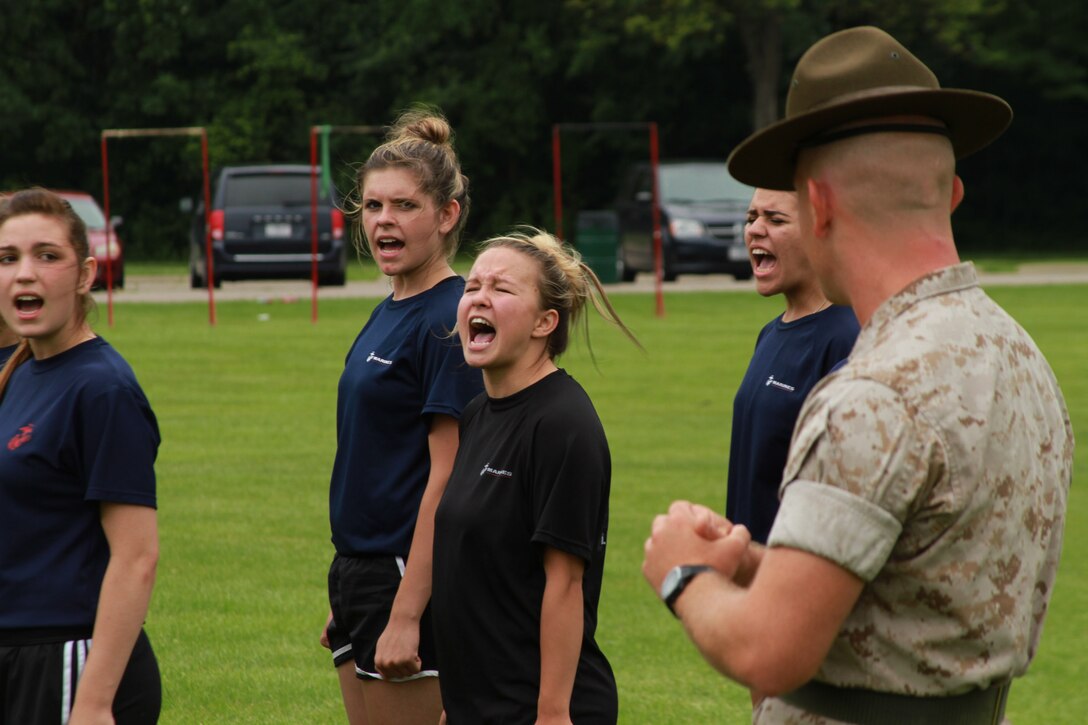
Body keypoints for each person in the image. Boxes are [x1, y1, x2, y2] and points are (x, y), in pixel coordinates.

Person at [642, 26, 1073, 725]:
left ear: (818, 205)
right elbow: (917, 592)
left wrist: (681, 570)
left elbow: (768, 651)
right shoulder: (1017, 351)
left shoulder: (873, 395)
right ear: (952, 193)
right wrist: (757, 562)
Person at [431, 229, 638, 724]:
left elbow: (564, 583)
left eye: (501, 289)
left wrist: (551, 713)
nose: (479, 296)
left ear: (546, 322)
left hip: (536, 709)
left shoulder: (563, 424)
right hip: (477, 707)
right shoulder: (477, 413)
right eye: (472, 285)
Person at [321, 108, 484, 725]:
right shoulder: (389, 307)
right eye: (372, 206)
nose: (384, 220)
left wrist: (407, 611)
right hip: (361, 574)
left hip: (402, 576)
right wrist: (347, 587)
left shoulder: (450, 318)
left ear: (447, 215)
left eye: (405, 206)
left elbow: (446, 478)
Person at [0, 188, 161, 723]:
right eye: (8, 258)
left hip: (69, 658)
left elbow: (136, 557)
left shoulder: (101, 389)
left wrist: (92, 701)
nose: (25, 273)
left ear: (86, 274)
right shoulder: (22, 371)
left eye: (48, 256)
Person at [726, 188, 858, 545]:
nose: (754, 229)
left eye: (775, 219)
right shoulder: (770, 334)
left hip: (792, 576)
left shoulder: (848, 338)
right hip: (750, 572)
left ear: (821, 230)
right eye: (752, 217)